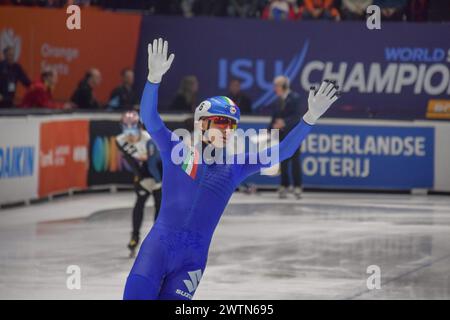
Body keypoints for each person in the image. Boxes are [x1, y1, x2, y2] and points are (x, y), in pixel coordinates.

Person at [123, 38, 340, 300]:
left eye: (232, 126)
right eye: (220, 123)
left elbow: (284, 152)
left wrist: (309, 118)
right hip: (157, 251)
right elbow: (150, 119)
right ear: (202, 124)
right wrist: (153, 79)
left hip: (191, 263)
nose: (227, 131)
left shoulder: (236, 166)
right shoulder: (178, 150)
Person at [115, 110, 163, 258]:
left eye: (133, 126)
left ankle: (158, 240)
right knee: (139, 204)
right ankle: (134, 236)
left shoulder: (149, 139)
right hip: (142, 176)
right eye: (126, 126)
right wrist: (140, 176)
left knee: (159, 206)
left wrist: (158, 180)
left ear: (140, 126)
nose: (129, 131)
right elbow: (133, 161)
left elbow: (155, 162)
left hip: (158, 176)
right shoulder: (120, 140)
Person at [270, 75, 306, 199]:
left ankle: (297, 186)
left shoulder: (295, 98)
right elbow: (274, 118)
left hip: (294, 134)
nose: (275, 88)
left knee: (295, 161)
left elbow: (297, 116)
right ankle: (284, 185)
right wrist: (270, 129)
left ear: (284, 86)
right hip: (281, 134)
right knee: (282, 161)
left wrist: (283, 122)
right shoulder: (278, 100)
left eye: (277, 86)